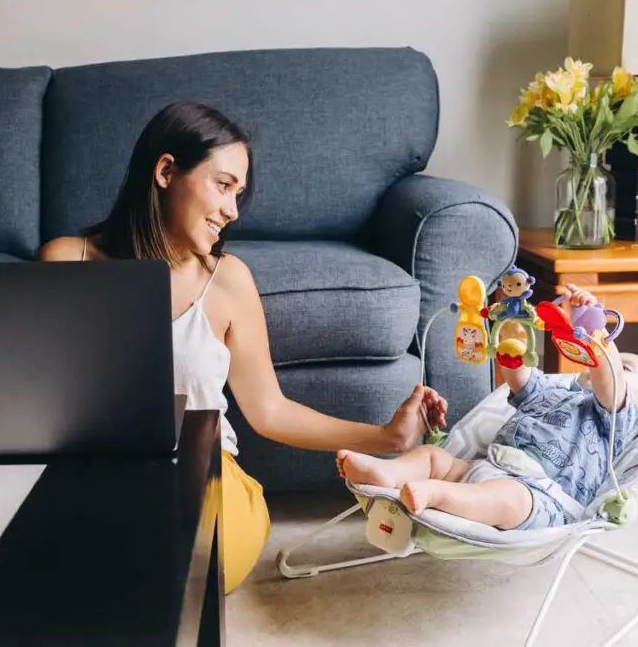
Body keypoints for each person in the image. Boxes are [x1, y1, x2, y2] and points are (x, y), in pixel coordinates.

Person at [38, 101, 447, 594]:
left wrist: (387, 438)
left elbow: (270, 411)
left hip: (204, 475)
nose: (233, 211)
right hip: (101, 471)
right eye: (224, 185)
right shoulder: (67, 261)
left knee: (183, 572)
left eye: (239, 194)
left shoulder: (227, 281)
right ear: (167, 171)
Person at [337, 284, 638, 531]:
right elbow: (519, 381)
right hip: (486, 465)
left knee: (508, 501)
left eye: (627, 367)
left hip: (540, 494)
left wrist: (594, 327)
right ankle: (387, 475)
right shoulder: (560, 393)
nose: (606, 361)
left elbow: (608, 377)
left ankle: (436, 496)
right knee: (434, 458)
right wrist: (511, 347)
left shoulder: (616, 421)